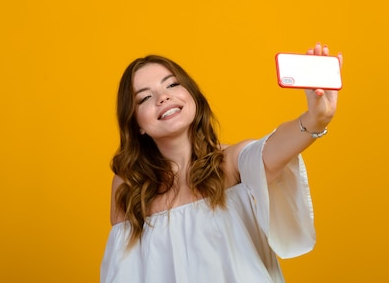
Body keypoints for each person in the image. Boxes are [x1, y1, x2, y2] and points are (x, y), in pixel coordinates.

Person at [101, 42, 342, 283]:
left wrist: (315, 119)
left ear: (192, 96)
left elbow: (269, 151)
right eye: (145, 97)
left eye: (172, 84)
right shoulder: (129, 186)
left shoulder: (230, 162)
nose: (163, 97)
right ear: (137, 124)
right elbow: (122, 270)